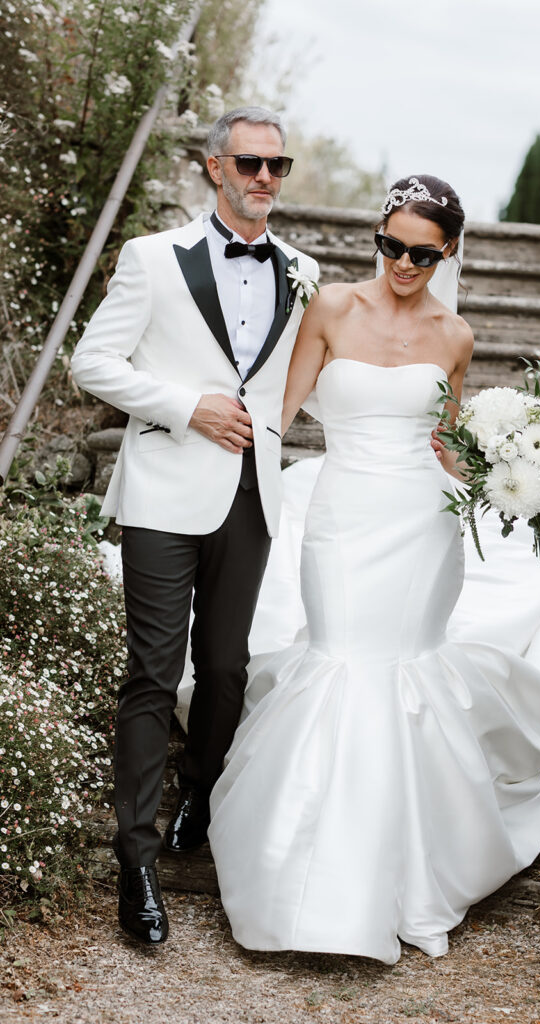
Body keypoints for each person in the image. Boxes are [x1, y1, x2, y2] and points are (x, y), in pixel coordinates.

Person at [204, 175, 540, 965]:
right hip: (344, 514)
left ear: (447, 250)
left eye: (422, 252)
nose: (403, 263)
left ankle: (399, 878)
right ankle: (297, 873)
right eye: (391, 246)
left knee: (398, 671)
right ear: (375, 236)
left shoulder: (456, 336)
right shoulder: (330, 309)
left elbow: (448, 442)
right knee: (340, 659)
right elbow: (280, 415)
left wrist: (517, 469)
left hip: (422, 526)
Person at [70, 106, 319, 945]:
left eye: (277, 166)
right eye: (249, 164)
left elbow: (305, 376)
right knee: (151, 671)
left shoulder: (303, 269)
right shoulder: (150, 259)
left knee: (224, 669)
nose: (264, 180)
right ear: (214, 168)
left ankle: (203, 796)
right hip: (162, 492)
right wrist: (186, 409)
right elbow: (91, 362)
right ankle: (134, 862)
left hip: (251, 493)